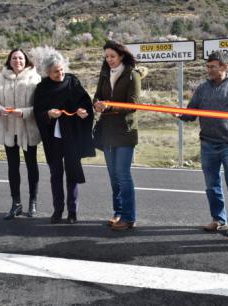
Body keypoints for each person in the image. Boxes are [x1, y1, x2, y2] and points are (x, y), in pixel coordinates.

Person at [178, 51, 228, 237]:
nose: (209, 70)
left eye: (213, 67)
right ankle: (218, 219)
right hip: (208, 144)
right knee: (212, 186)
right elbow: (191, 113)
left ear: (224, 67)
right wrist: (179, 114)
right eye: (207, 67)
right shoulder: (202, 88)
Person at [33, 47, 95, 224]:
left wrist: (83, 112)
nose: (59, 74)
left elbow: (85, 104)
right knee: (55, 175)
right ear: (47, 72)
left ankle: (72, 212)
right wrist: (48, 114)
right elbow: (38, 112)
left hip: (71, 135)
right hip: (53, 138)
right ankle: (58, 210)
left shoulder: (72, 82)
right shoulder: (42, 88)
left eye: (61, 70)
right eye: (55, 72)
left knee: (72, 173)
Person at [93, 40, 146, 231]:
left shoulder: (133, 75)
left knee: (123, 175)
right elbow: (97, 96)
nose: (109, 60)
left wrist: (110, 106)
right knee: (113, 176)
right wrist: (97, 104)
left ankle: (129, 217)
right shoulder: (105, 73)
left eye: (112, 56)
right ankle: (118, 212)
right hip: (107, 132)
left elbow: (133, 104)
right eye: (106, 56)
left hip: (125, 132)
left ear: (121, 56)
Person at [0, 48, 41, 219]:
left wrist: (23, 112)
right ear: (9, 60)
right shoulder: (1, 77)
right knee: (13, 167)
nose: (17, 61)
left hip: (28, 128)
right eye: (14, 58)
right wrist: (1, 110)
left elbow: (40, 106)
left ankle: (32, 202)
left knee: (31, 166)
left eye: (20, 58)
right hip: (8, 129)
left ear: (26, 60)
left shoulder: (35, 77)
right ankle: (16, 204)